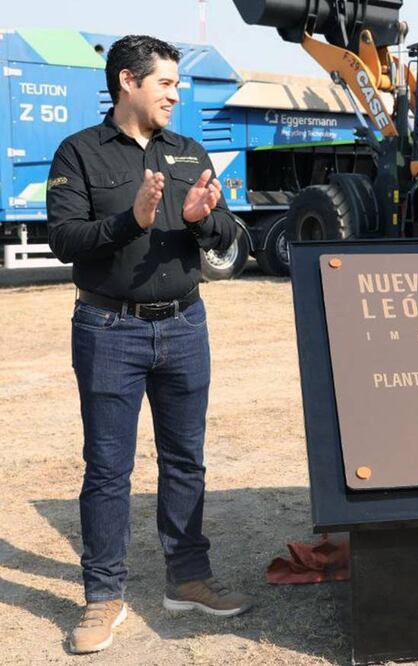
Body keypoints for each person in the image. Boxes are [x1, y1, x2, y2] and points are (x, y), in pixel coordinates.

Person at [47, 35, 253, 655]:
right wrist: (130, 221)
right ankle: (102, 597)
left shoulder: (189, 151)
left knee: (186, 460)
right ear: (128, 82)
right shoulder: (78, 153)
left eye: (177, 83)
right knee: (108, 471)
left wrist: (202, 218)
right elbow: (64, 239)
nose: (176, 93)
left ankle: (187, 579)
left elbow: (227, 239)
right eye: (166, 82)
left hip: (186, 325)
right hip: (109, 330)